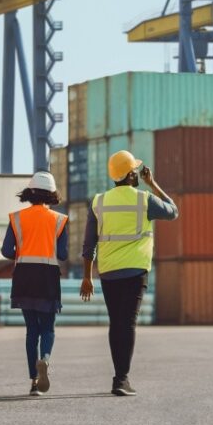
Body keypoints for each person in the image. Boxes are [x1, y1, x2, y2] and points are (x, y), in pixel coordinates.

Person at [80, 150, 178, 397]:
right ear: (132, 174)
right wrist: (153, 183)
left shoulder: (98, 201)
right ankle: (121, 380)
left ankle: (119, 377)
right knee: (128, 324)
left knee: (116, 323)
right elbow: (173, 211)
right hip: (135, 271)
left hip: (109, 271)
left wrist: (87, 277)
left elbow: (88, 243)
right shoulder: (144, 199)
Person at [1, 172, 68, 396]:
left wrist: (24, 251)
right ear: (52, 195)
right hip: (48, 275)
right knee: (48, 327)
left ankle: (33, 382)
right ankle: (45, 360)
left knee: (32, 331)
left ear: (30, 193)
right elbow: (64, 254)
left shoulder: (16, 218)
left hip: (24, 275)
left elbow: (6, 251)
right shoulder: (59, 220)